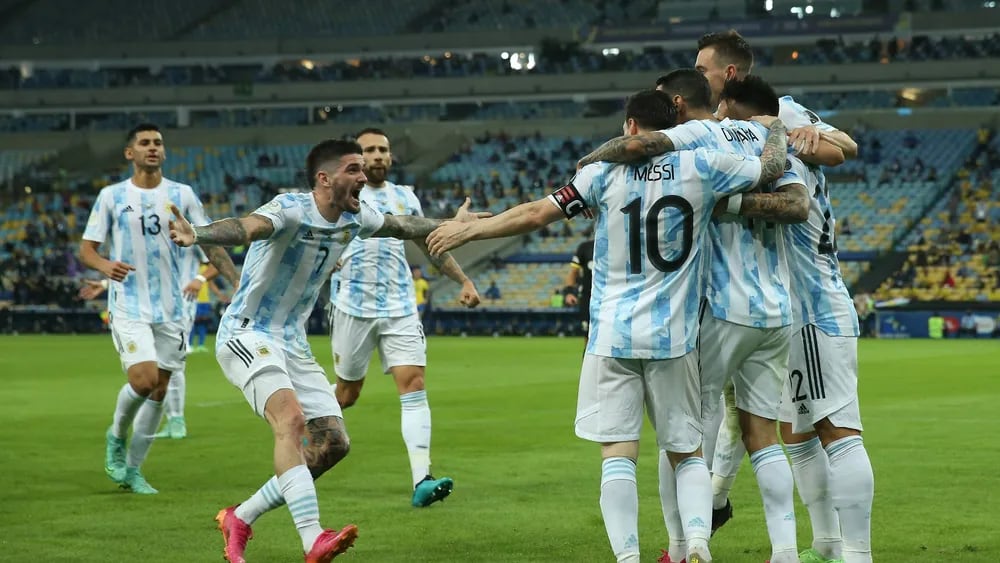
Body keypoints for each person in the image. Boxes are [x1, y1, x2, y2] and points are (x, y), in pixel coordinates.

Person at [426, 89, 791, 563]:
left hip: (612, 336)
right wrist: (775, 128)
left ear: (631, 127)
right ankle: (697, 544)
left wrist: (471, 229)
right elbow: (770, 169)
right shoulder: (703, 166)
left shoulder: (599, 174)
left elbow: (537, 213)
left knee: (618, 456)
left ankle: (628, 558)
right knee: (686, 454)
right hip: (674, 338)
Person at [168, 139, 487, 562]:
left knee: (333, 443)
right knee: (291, 419)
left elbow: (405, 226)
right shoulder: (290, 209)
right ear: (325, 179)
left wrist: (453, 224)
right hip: (248, 333)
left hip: (292, 342)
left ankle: (240, 516)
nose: (362, 178)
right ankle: (312, 538)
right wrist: (200, 235)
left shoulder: (357, 217)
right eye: (353, 170)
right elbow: (245, 227)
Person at [577, 72, 810, 563]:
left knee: (683, 439)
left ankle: (682, 548)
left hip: (720, 308)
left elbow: (637, 145)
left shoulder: (694, 140)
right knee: (763, 435)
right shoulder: (771, 137)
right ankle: (786, 551)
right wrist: (779, 132)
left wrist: (588, 165)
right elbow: (797, 203)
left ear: (683, 101)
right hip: (776, 308)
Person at [721, 78, 875, 563]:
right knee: (796, 431)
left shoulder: (781, 146)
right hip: (793, 310)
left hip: (812, 306)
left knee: (836, 429)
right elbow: (837, 145)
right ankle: (826, 544)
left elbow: (837, 151)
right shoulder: (781, 140)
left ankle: (857, 554)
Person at [79, 123, 238, 495]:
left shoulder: (182, 195)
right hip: (130, 304)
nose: (153, 148)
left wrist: (236, 281)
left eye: (158, 143)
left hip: (174, 309)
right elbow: (87, 248)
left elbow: (210, 243)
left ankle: (134, 470)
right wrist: (104, 267)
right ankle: (116, 435)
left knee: (160, 389)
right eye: (145, 143)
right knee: (144, 379)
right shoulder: (112, 197)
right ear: (129, 153)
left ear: (164, 152)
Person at [330, 128, 481, 508]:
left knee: (413, 385)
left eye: (383, 149)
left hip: (399, 305)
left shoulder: (404, 196)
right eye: (369, 151)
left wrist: (463, 279)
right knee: (347, 394)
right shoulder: (339, 197)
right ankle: (306, 436)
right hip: (352, 305)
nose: (377, 156)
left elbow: (428, 245)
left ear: (391, 157)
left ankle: (421, 480)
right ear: (357, 159)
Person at [564, 237, 595, 342]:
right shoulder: (585, 247)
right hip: (589, 297)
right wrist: (569, 292)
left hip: (611, 297)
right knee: (588, 337)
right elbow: (573, 272)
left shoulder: (617, 245)